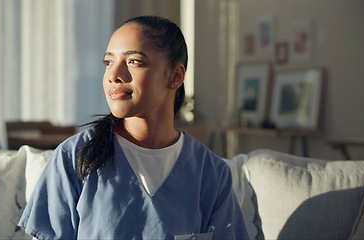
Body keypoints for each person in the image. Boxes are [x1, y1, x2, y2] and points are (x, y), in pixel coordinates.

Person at [18, 15, 249, 240]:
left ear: (175, 76)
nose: (114, 75)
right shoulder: (73, 158)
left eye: (134, 61)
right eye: (108, 62)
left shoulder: (212, 175)